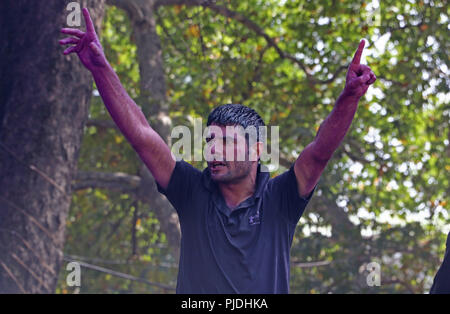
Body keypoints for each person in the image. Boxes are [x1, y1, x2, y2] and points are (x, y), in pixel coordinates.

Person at [60, 8, 376, 293]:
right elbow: (142, 135)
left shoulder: (281, 199)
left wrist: (349, 96)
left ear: (257, 150)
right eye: (210, 141)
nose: (214, 151)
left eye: (226, 141)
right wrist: (100, 66)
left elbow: (320, 152)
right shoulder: (191, 191)